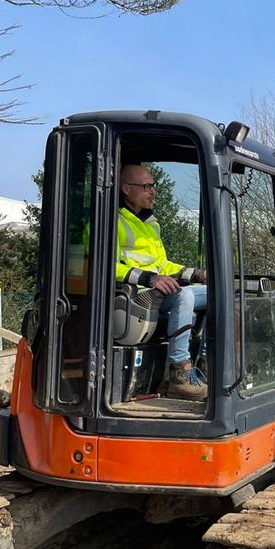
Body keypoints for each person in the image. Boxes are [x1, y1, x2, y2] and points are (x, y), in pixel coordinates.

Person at [116, 164, 208, 401]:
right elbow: (104, 265)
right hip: (135, 297)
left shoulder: (149, 224)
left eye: (153, 186)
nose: (153, 191)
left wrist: (197, 274)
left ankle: (206, 365)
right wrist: (149, 278)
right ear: (126, 188)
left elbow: (163, 265)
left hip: (158, 293)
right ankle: (179, 374)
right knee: (184, 296)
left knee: (218, 294)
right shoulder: (110, 222)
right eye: (146, 186)